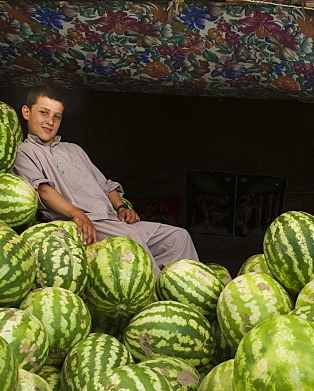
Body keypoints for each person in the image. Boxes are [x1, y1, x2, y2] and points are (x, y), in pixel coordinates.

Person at [13, 87, 199, 272]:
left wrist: (121, 207)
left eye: (57, 116)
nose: (50, 121)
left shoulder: (74, 150)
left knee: (178, 237)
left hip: (112, 220)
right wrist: (77, 214)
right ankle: (154, 298)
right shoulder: (24, 152)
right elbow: (43, 191)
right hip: (83, 225)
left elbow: (105, 185)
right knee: (131, 243)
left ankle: (189, 294)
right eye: (44, 113)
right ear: (26, 112)